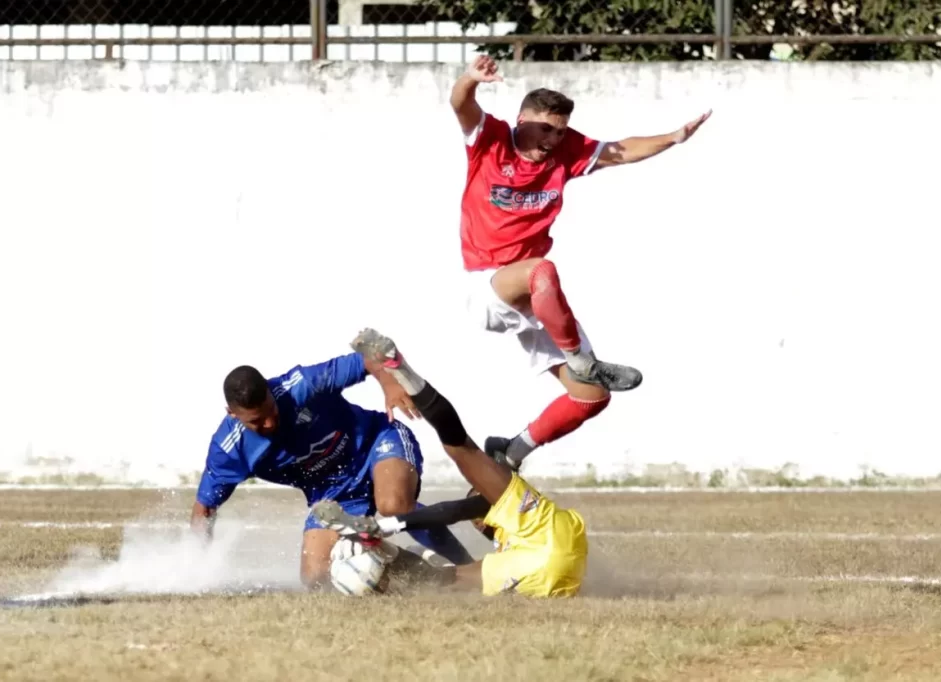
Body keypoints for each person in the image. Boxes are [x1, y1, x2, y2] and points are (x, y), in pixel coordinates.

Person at [450, 54, 712, 470]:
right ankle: (582, 359)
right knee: (542, 269)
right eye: (545, 129)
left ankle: (512, 451)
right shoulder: (492, 140)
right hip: (489, 285)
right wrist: (469, 79)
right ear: (521, 120)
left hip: (538, 299)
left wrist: (675, 136)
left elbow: (621, 150)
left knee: (592, 397)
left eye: (560, 132)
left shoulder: (566, 151)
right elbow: (462, 106)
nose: (552, 140)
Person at [311, 328, 588, 598]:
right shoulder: (528, 515)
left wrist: (386, 528)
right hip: (557, 567)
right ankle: (383, 549)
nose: (477, 522)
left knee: (458, 445)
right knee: (459, 448)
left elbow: (452, 510)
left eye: (479, 512)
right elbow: (464, 501)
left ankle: (400, 366)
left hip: (545, 563)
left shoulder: (509, 511)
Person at [189, 349, 474, 587]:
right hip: (333, 493)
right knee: (315, 578)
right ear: (232, 414)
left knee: (393, 505)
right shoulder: (229, 450)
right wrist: (200, 565)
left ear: (270, 390)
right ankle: (435, 573)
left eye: (270, 411)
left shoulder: (302, 385)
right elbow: (203, 510)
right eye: (256, 422)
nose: (269, 424)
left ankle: (471, 567)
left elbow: (372, 354)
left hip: (376, 443)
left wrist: (390, 384)